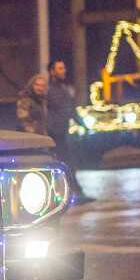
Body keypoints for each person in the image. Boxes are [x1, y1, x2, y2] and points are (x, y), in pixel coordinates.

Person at [46, 59, 92, 203]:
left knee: (68, 164)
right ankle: (71, 195)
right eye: (60, 68)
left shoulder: (64, 89)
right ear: (52, 71)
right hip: (54, 134)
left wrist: (83, 124)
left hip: (62, 134)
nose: (64, 71)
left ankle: (74, 194)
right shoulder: (49, 91)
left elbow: (70, 110)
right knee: (64, 165)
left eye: (64, 68)